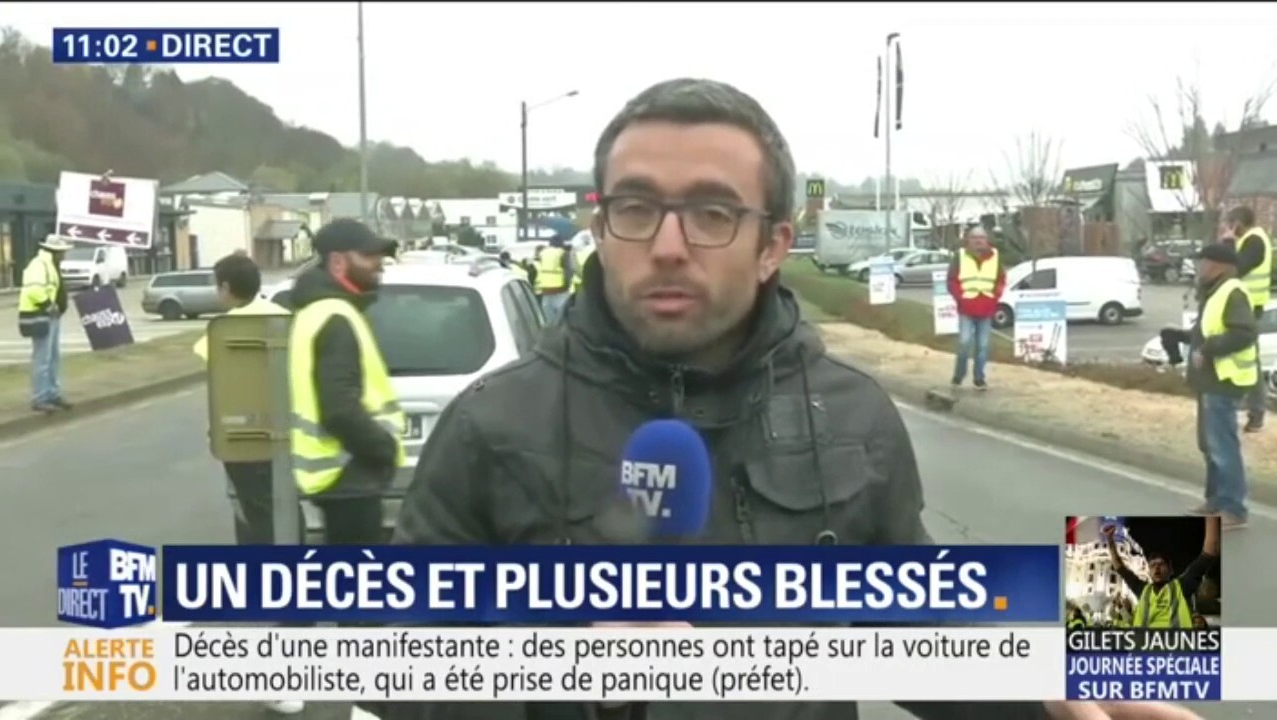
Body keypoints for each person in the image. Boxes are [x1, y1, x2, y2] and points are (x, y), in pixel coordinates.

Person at [360, 78, 1201, 720]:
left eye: (713, 213)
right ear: (600, 225)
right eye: (636, 207)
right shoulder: (491, 425)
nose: (668, 245)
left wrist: (1037, 683)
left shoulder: (856, 414)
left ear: (774, 246)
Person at [190, 252, 300, 716]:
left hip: (245, 446)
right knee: (286, 534)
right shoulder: (288, 320)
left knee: (260, 543)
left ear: (225, 289)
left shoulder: (224, 331)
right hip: (292, 444)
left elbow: (213, 374)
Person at [288, 218, 405, 549]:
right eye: (368, 256)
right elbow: (338, 409)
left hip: (340, 477)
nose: (378, 265)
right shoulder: (335, 316)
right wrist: (383, 449)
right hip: (348, 476)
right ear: (338, 262)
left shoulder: (319, 311)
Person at [1184, 243, 1257, 527]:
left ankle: (1234, 508)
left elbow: (1244, 333)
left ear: (1219, 265)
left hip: (1224, 380)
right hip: (1209, 380)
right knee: (1210, 445)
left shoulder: (1232, 291)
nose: (1200, 267)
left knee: (1223, 446)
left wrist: (1209, 349)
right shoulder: (1214, 291)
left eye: (1203, 262)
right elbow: (1208, 330)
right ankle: (1214, 500)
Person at [1102, 518, 1219, 628]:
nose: (1156, 568)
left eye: (1161, 564)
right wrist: (1110, 539)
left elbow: (1210, 551)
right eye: (1152, 565)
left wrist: (1211, 513)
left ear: (1170, 571)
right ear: (1149, 571)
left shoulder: (1181, 587)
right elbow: (1119, 567)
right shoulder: (1142, 590)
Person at [1224, 206, 1271, 432]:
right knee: (1242, 358)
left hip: (1249, 308)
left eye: (1230, 223)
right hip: (1246, 307)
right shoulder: (1254, 239)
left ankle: (1256, 412)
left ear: (1238, 223)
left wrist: (1228, 243)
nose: (1228, 228)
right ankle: (1244, 406)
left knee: (1249, 360)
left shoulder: (1253, 241)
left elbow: (1236, 269)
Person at [18, 235, 73, 413]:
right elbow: (34, 289)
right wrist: (49, 305)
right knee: (42, 358)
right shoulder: (39, 265)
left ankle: (52, 393)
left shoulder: (50, 265)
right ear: (54, 251)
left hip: (51, 316)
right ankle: (40, 397)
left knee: (53, 358)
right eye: (63, 252)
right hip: (41, 315)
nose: (65, 255)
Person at [947, 226, 1005, 390]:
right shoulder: (960, 256)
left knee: (983, 346)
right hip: (966, 307)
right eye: (974, 237)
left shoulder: (995, 256)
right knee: (964, 343)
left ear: (986, 240)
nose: (978, 241)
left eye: (982, 238)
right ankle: (958, 376)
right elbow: (952, 281)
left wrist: (995, 297)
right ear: (968, 240)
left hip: (986, 307)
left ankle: (979, 378)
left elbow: (1000, 279)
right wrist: (960, 298)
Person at [533, 218, 576, 323]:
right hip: (560, 288)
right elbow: (569, 270)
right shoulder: (563, 253)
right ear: (561, 243)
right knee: (562, 317)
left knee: (548, 317)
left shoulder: (543, 253)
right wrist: (567, 284)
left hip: (545, 288)